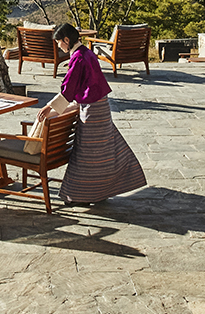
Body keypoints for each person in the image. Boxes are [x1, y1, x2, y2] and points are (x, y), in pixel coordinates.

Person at [35, 23, 145, 206]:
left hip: (92, 110)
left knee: (87, 154)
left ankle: (80, 195)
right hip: (101, 105)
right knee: (102, 152)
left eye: (59, 42)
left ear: (67, 40)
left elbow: (69, 89)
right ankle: (99, 192)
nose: (58, 46)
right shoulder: (87, 53)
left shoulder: (78, 58)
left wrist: (48, 107)